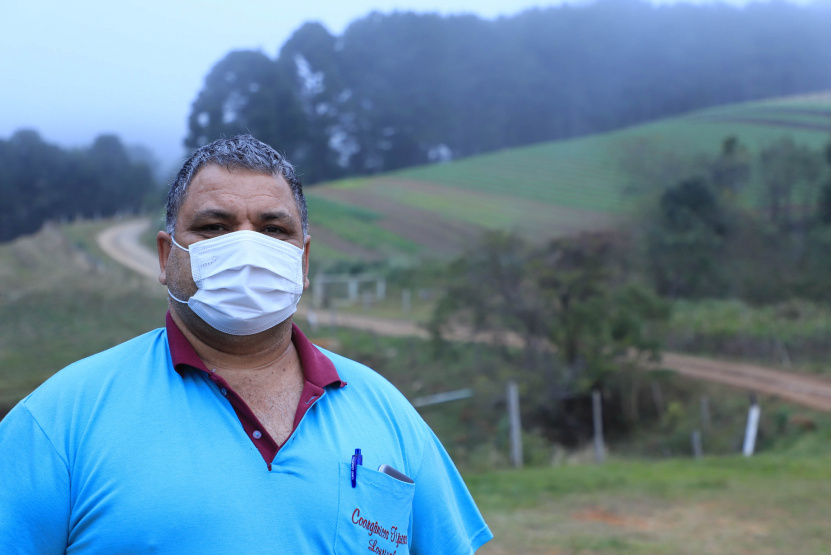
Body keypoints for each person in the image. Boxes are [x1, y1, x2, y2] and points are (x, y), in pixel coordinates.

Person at [0, 135, 493, 553]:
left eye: (273, 229)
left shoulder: (386, 410)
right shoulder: (58, 421)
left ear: (302, 261)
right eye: (214, 227)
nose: (247, 248)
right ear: (166, 255)